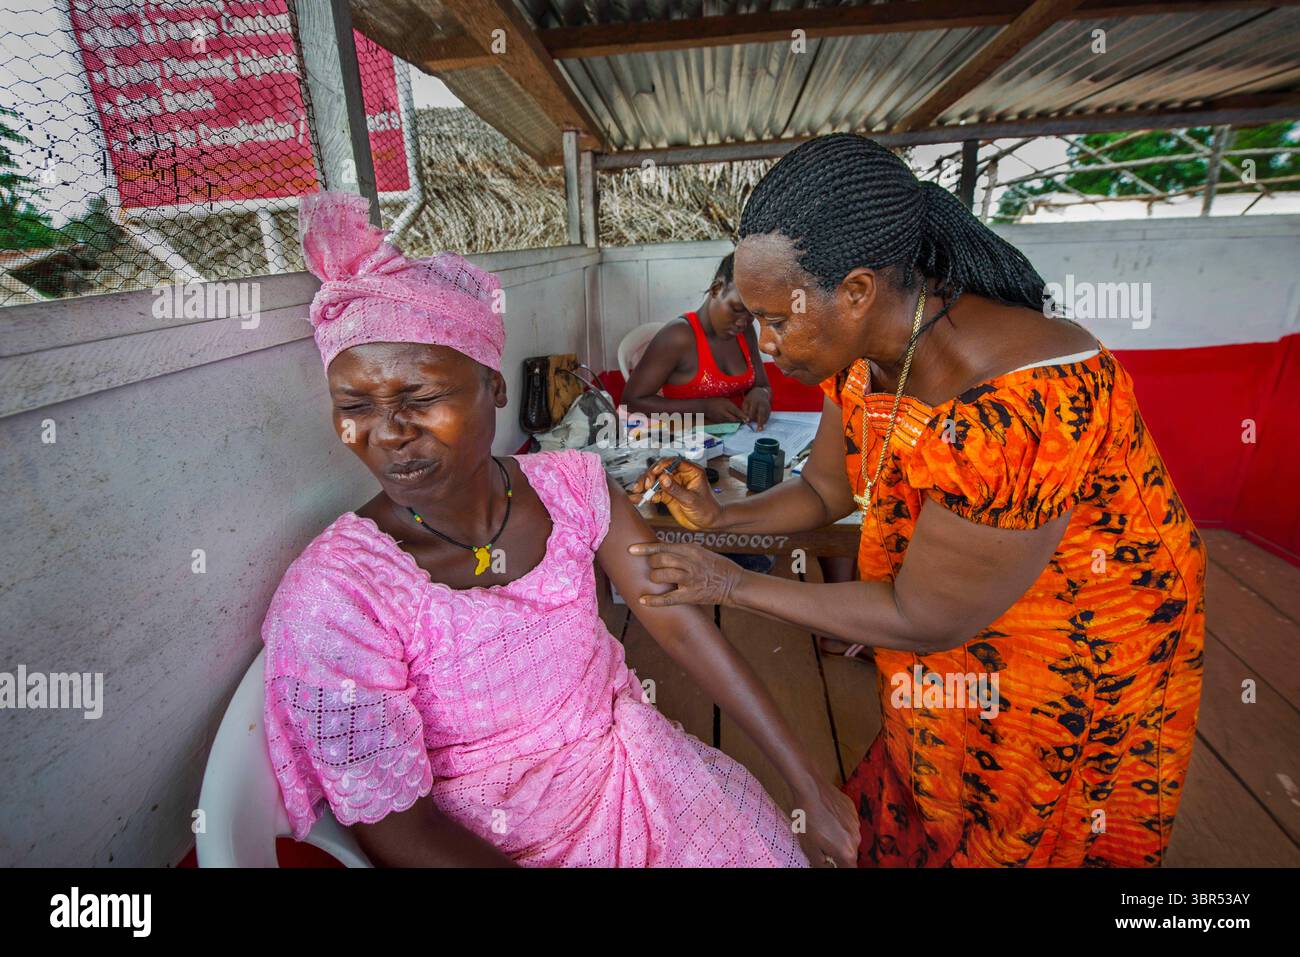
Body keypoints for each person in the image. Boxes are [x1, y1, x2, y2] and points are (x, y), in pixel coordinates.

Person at [627, 134, 1206, 867]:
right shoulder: (865, 359)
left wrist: (733, 582)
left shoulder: (1021, 404)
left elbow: (922, 616)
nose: (765, 344)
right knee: (929, 791)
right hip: (945, 624)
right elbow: (823, 489)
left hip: (1077, 648)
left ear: (859, 290)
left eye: (777, 319)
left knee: (1023, 830)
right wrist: (720, 518)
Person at [260, 191, 857, 868]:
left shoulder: (571, 485)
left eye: (421, 398)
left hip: (640, 774)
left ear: (495, 386)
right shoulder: (339, 597)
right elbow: (402, 830)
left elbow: (678, 621)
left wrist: (808, 779)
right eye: (354, 406)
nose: (390, 433)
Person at [623, 254, 772, 429]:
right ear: (716, 289)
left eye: (753, 314)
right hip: (688, 446)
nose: (743, 321)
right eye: (737, 309)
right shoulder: (679, 336)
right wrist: (703, 407)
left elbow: (762, 384)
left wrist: (760, 393)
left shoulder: (745, 332)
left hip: (738, 441)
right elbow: (632, 401)